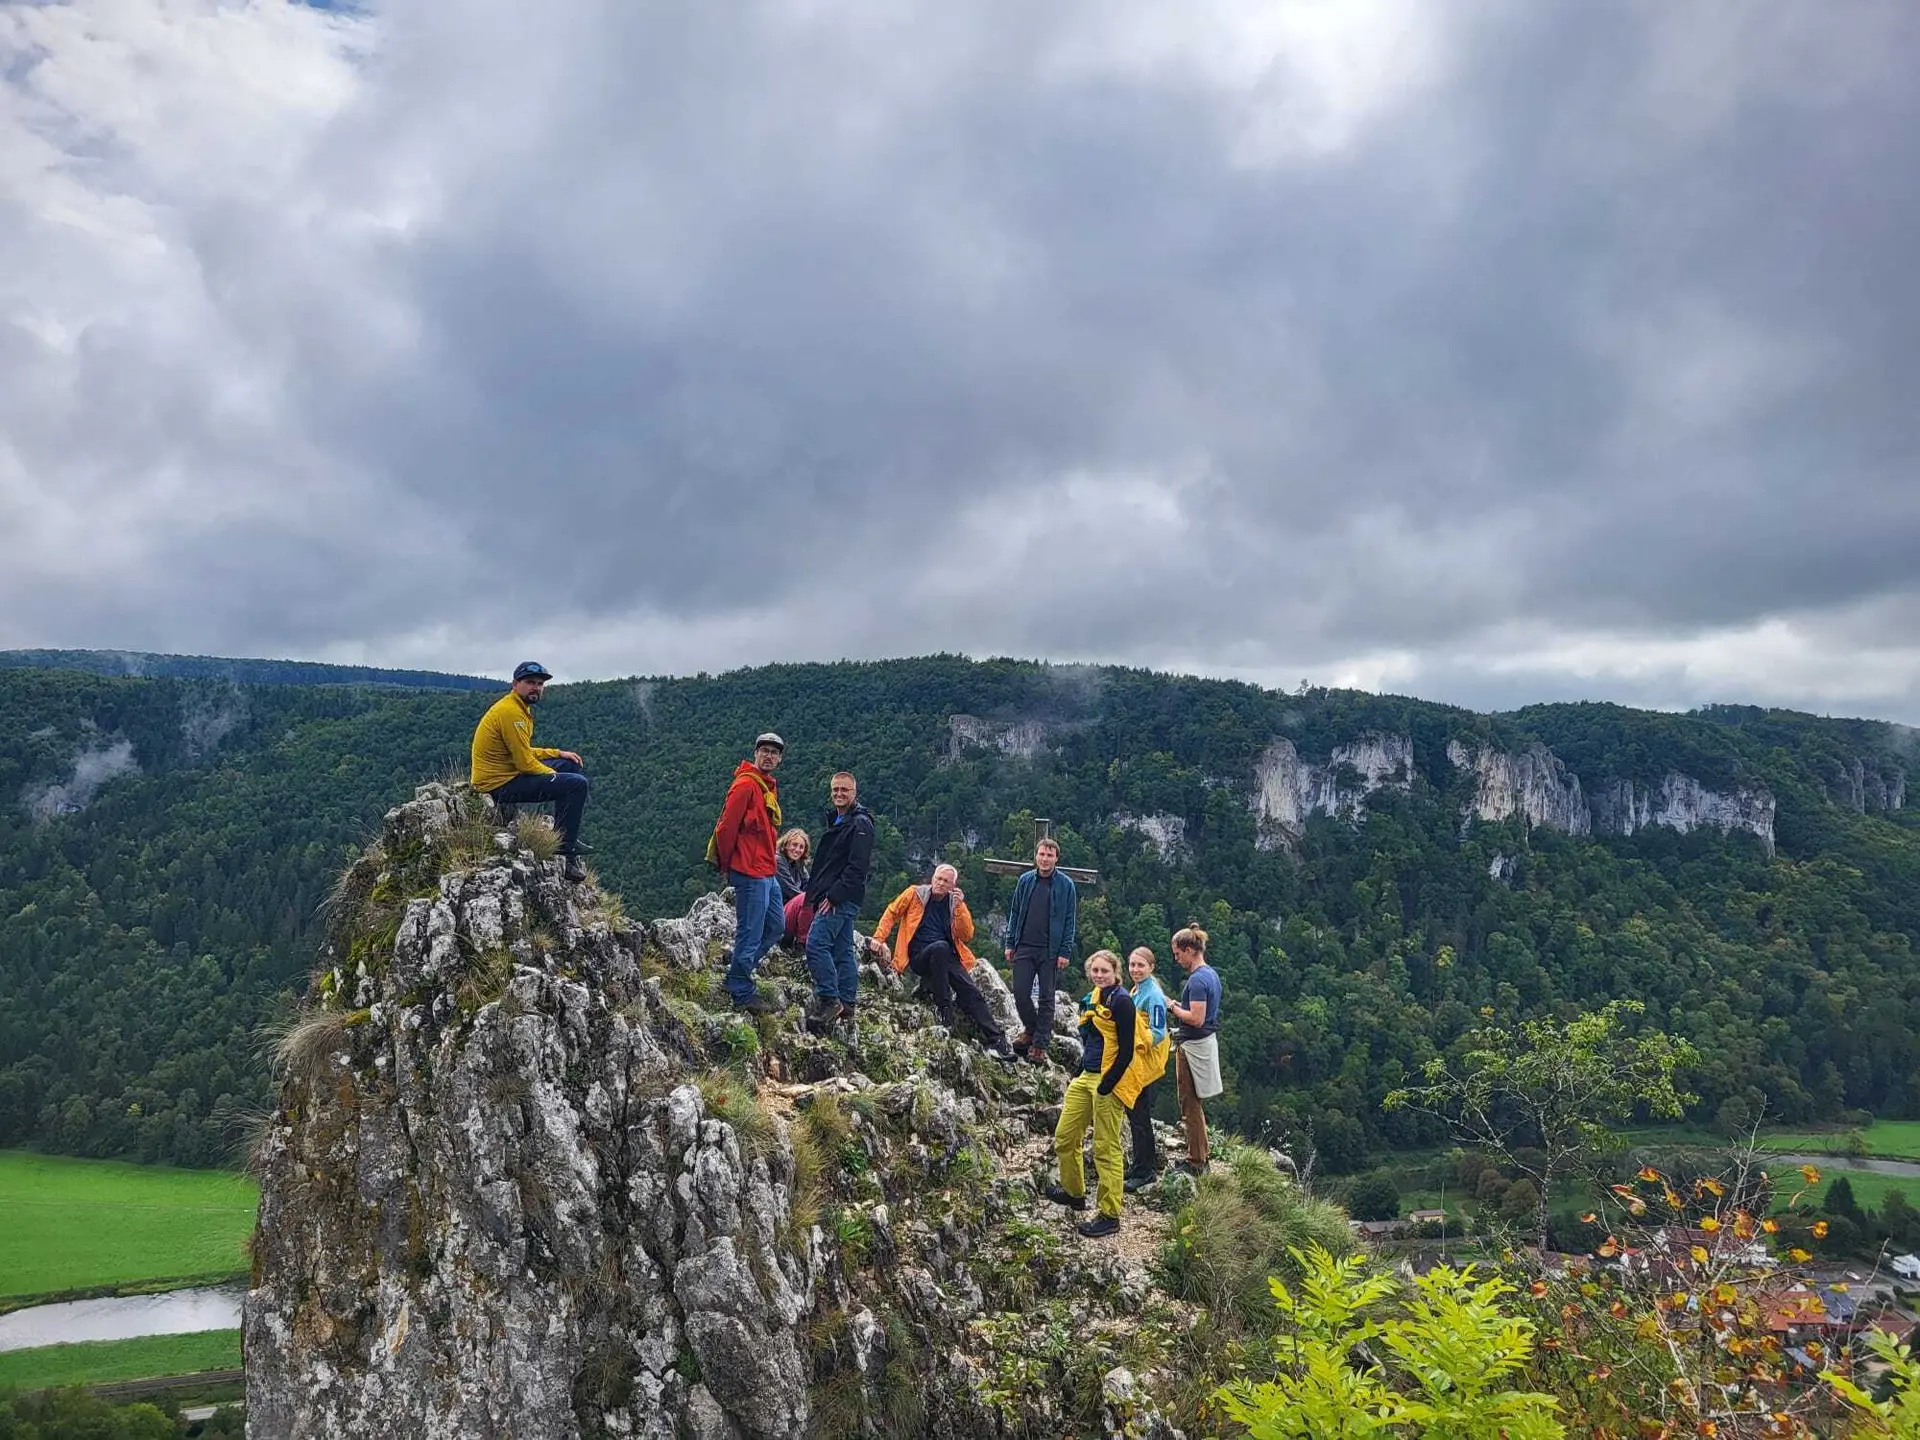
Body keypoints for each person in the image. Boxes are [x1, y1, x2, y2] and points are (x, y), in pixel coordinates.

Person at [1045, 950, 1155, 1238]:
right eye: (1094, 970)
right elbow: (1093, 1040)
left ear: (1115, 972)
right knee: (1065, 1136)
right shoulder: (1095, 998)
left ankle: (1110, 1214)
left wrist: (1108, 1084)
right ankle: (1074, 1192)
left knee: (1106, 1147)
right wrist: (1081, 1070)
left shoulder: (1121, 1002)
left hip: (1108, 1079)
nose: (1099, 975)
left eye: (1104, 970)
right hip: (1087, 1075)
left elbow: (1127, 1050)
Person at [869, 864, 1015, 1061]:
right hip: (919, 956)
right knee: (940, 947)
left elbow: (967, 934)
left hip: (947, 955)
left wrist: (960, 907)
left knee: (971, 991)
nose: (940, 883)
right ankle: (944, 1009)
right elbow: (892, 912)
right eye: (938, 878)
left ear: (952, 886)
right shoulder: (915, 894)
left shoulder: (954, 904)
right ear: (933, 878)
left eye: (946, 881)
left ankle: (996, 1040)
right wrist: (879, 938)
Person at [470, 661, 589, 883]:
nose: (536, 687)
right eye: (530, 682)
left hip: (508, 773)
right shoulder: (511, 713)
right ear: (515, 684)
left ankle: (565, 835)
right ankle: (566, 853)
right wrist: (553, 775)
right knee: (576, 784)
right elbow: (525, 763)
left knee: (571, 766)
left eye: (540, 684)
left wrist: (557, 753)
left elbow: (521, 750)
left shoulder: (517, 708)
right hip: (498, 785)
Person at [711, 734, 788, 1014]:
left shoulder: (767, 786)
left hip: (767, 870)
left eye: (774, 753)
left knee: (776, 926)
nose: (769, 756)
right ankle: (740, 990)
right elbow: (725, 828)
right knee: (751, 930)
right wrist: (726, 864)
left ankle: (737, 971)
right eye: (764, 751)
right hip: (749, 870)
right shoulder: (745, 785)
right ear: (755, 753)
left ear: (779, 759)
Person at [801, 772, 875, 1028]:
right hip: (840, 895)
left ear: (855, 792)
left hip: (839, 897)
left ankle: (829, 999)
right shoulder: (841, 820)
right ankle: (847, 1001)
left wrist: (834, 896)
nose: (839, 794)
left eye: (844, 790)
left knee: (816, 944)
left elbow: (857, 867)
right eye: (835, 790)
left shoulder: (860, 823)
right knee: (843, 950)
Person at [1001, 837, 1077, 1063]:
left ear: (1056, 858)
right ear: (1036, 856)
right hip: (1024, 945)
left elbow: (1070, 919)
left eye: (1049, 855)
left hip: (1050, 950)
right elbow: (1015, 912)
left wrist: (1065, 951)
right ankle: (1032, 1030)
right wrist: (1010, 942)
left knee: (1046, 997)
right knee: (1020, 993)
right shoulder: (1025, 880)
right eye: (1042, 854)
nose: (1045, 859)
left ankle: (1039, 1045)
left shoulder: (1066, 885)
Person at [1166, 924, 1224, 1176]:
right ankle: (1200, 1154)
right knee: (1193, 1102)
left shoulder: (1198, 980)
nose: (1176, 959)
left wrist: (1172, 1006)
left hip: (1193, 1046)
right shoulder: (1211, 974)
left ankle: (1197, 1161)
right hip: (1202, 1042)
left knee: (1189, 1102)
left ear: (1190, 950)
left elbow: (1196, 1018)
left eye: (1178, 954)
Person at [1122, 946, 1173, 1192]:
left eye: (1140, 965)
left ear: (1151, 967)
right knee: (1135, 1115)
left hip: (1145, 1063)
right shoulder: (1138, 989)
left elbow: (1158, 1031)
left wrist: (1138, 1044)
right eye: (1132, 965)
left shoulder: (1152, 995)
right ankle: (1139, 1165)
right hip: (1137, 1061)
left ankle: (1146, 1171)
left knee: (1140, 1116)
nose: (1135, 969)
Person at [776, 829, 813, 949]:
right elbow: (790, 890)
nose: (797, 850)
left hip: (791, 910)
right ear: (786, 844)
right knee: (807, 898)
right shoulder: (778, 860)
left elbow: (810, 885)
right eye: (794, 845)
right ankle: (801, 943)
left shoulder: (799, 865)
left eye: (801, 847)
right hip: (779, 911)